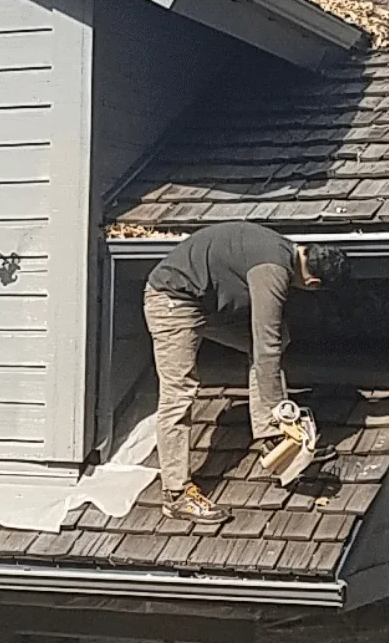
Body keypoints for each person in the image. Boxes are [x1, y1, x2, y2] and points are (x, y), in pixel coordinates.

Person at [144, 221, 351, 525]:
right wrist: (283, 413)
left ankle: (272, 439)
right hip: (172, 300)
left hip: (204, 303)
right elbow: (265, 345)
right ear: (314, 284)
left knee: (280, 338)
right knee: (179, 392)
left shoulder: (284, 250)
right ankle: (176, 494)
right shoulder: (274, 270)